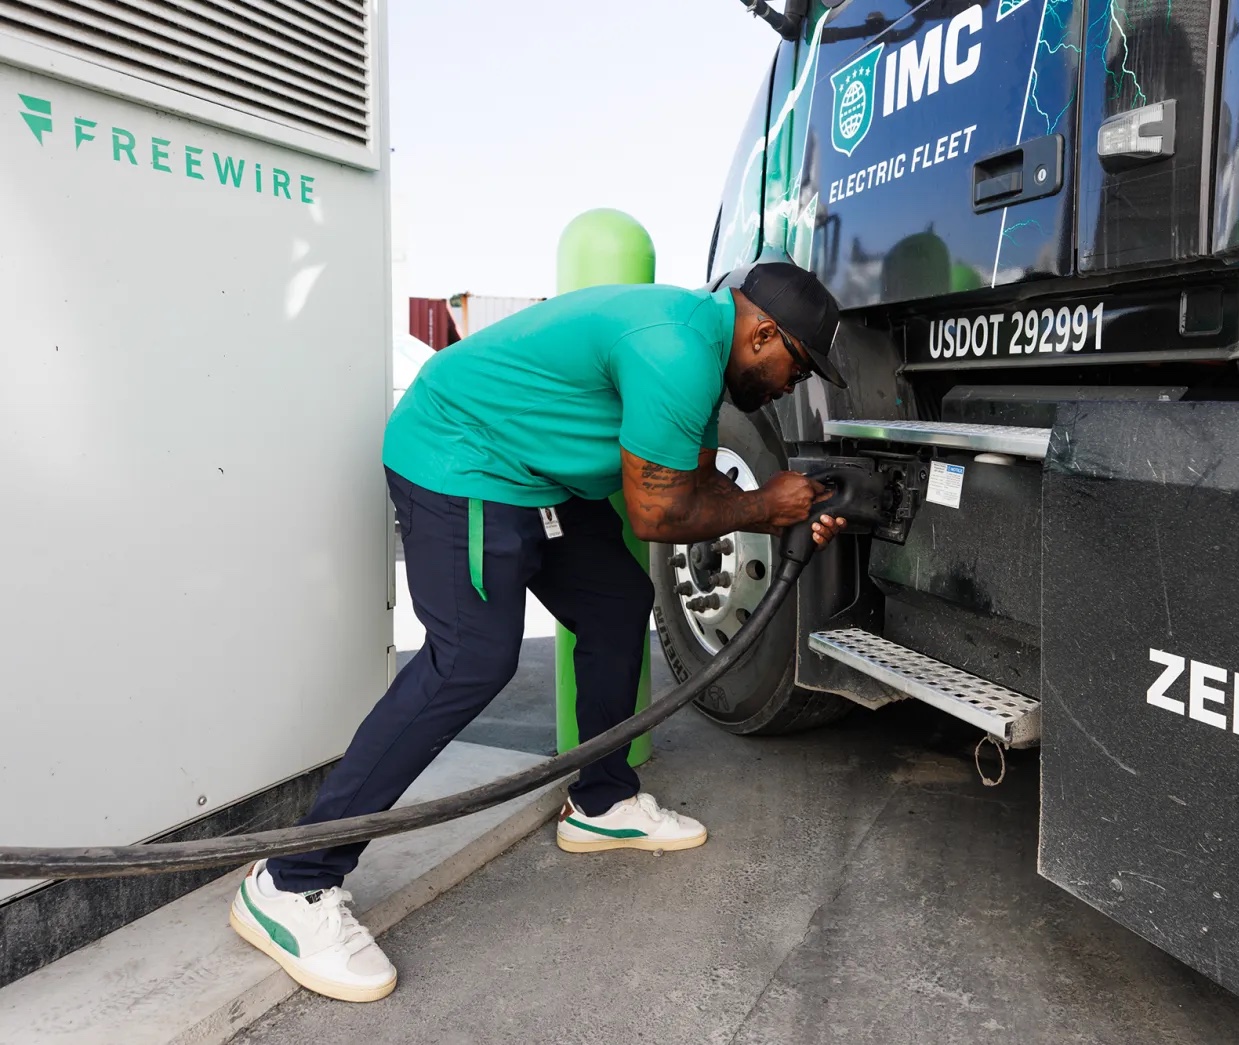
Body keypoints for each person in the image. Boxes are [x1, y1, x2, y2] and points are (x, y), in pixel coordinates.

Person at [226, 261, 850, 1002]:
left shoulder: (707, 355)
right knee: (472, 660)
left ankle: (601, 802)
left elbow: (693, 482)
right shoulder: (676, 350)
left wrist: (791, 502)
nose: (793, 385)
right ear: (765, 333)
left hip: (536, 473)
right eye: (798, 367)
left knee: (618, 601)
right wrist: (762, 510)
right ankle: (291, 878)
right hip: (464, 454)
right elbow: (658, 516)